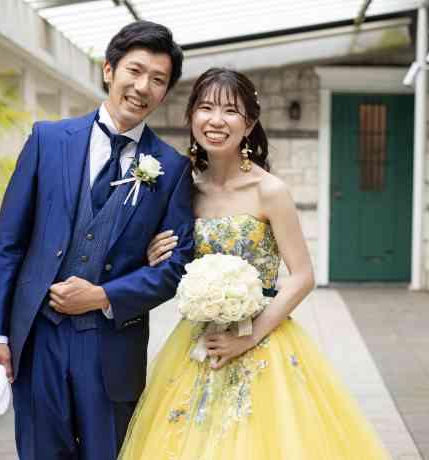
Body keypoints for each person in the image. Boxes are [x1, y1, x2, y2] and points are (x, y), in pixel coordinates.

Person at [118, 68, 392, 460]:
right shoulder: (186, 190)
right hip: (199, 340)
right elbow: (176, 261)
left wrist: (248, 338)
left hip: (261, 339)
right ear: (191, 116)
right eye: (206, 108)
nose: (216, 120)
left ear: (248, 124)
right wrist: (154, 254)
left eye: (230, 111)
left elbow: (302, 276)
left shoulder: (270, 191)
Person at [0, 21, 194, 460]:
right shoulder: (47, 140)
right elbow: (9, 243)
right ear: (109, 70)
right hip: (39, 338)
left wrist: (103, 296)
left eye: (158, 80)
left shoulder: (171, 169)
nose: (143, 87)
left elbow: (175, 267)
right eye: (135, 71)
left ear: (165, 93)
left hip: (112, 345)